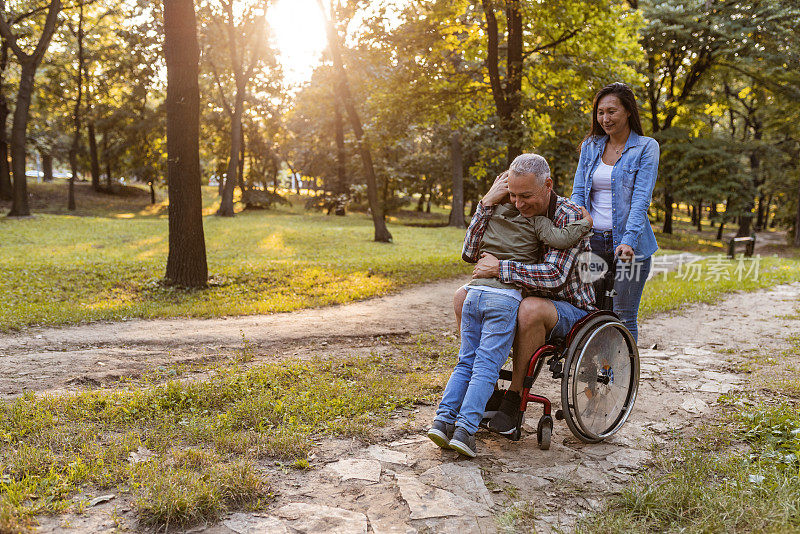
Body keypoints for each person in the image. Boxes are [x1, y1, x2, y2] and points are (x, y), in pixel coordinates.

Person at [428, 154, 593, 458]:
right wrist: (486, 204)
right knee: (462, 297)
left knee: (529, 307)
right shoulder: (503, 202)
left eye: (526, 196)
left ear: (547, 186)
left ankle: (515, 399)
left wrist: (500, 268)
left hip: (568, 305)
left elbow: (554, 278)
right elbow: (469, 253)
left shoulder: (568, 215)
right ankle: (486, 393)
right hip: (517, 293)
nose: (517, 204)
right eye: (513, 194)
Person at [571, 82, 659, 342]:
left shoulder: (646, 147)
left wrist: (628, 241)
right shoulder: (590, 146)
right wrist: (578, 228)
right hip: (593, 242)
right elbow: (578, 193)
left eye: (612, 111)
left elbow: (641, 200)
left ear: (628, 111)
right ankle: (593, 374)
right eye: (600, 112)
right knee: (592, 312)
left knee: (622, 314)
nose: (605, 118)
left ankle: (622, 376)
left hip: (632, 246)